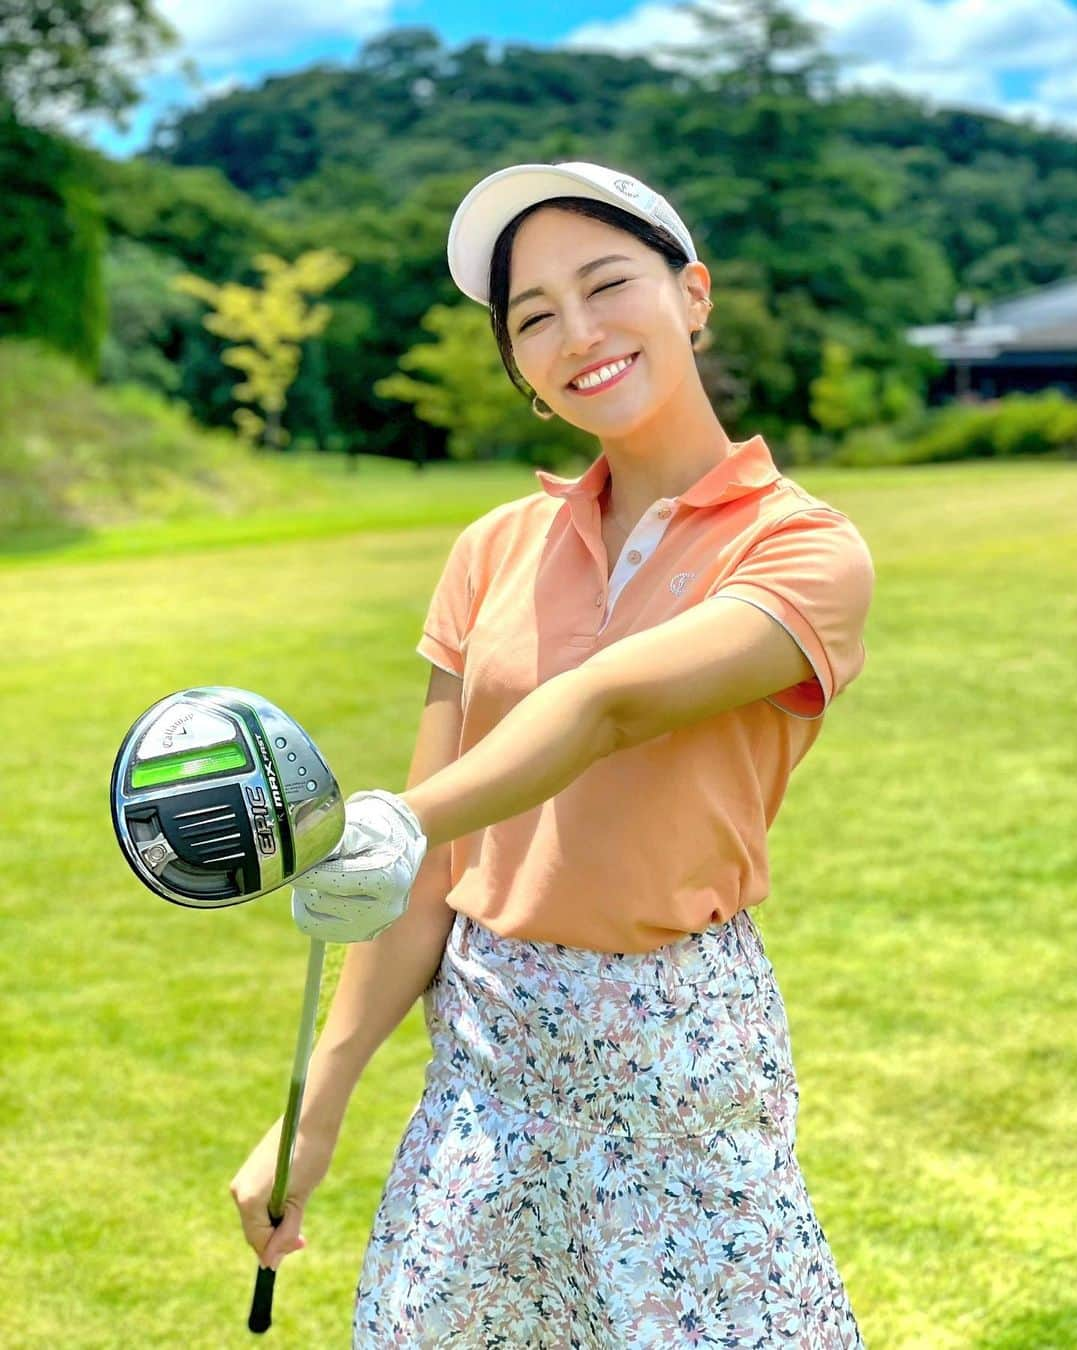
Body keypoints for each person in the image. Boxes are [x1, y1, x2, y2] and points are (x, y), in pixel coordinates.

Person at [230, 161, 875, 1348]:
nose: (576, 333)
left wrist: (400, 813)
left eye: (606, 284)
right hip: (488, 1059)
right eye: (533, 318)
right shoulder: (492, 549)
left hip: (682, 1064)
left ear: (692, 294)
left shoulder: (807, 551)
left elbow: (605, 710)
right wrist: (313, 1114)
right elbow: (432, 864)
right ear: (522, 368)